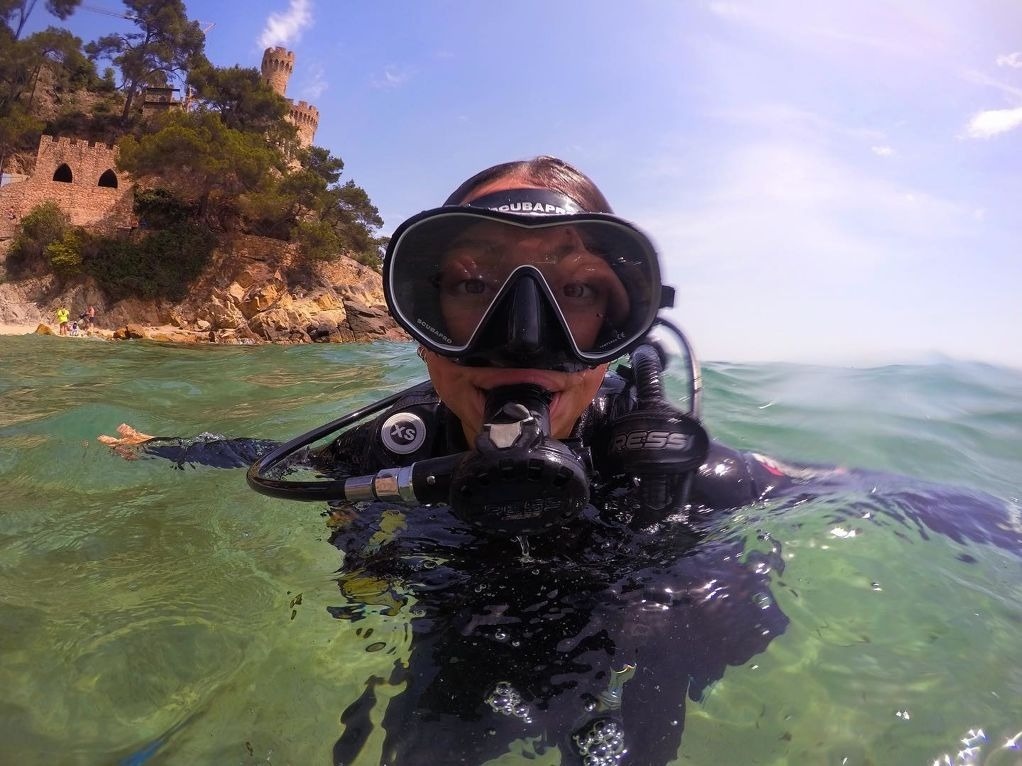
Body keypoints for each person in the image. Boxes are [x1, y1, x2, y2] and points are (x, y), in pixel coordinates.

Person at [98, 157, 1020, 765]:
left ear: (623, 333)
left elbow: (858, 491)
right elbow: (262, 458)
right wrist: (158, 447)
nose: (522, 338)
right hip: (453, 645)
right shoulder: (390, 449)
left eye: (578, 291)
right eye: (471, 285)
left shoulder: (677, 472)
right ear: (421, 326)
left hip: (632, 648)